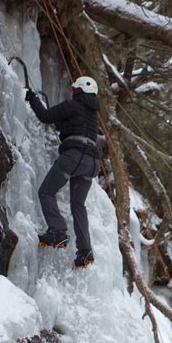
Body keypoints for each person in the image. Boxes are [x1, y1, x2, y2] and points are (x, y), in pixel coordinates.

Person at [25, 76, 101, 269]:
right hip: (92, 164)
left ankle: (58, 231)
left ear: (79, 91)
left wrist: (32, 99)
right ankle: (85, 251)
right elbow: (68, 126)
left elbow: (45, 116)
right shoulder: (93, 115)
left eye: (75, 90)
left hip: (74, 157)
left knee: (46, 191)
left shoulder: (73, 105)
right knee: (78, 205)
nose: (72, 93)